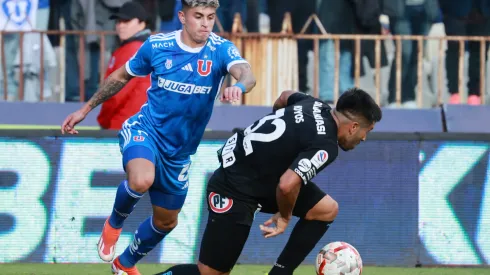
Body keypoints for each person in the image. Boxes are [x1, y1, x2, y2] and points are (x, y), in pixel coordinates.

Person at [60, 0, 256, 274]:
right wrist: (85, 109)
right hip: (145, 131)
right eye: (198, 16)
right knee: (142, 179)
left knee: (166, 222)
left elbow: (246, 73)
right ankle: (114, 223)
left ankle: (124, 264)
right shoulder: (158, 46)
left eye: (210, 17)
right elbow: (120, 75)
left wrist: (239, 86)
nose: (205, 23)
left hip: (179, 152)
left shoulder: (220, 49)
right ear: (182, 17)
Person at [155, 88, 382, 275]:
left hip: (258, 175)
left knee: (326, 210)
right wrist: (284, 217)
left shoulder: (313, 104)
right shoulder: (327, 145)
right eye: (366, 131)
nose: (363, 138)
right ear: (353, 126)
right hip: (234, 187)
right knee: (211, 273)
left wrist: (274, 132)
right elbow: (287, 184)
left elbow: (284, 96)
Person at [97, 1, 152, 130]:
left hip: (123, 125)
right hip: (138, 126)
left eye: (126, 21)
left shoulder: (132, 49)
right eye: (118, 21)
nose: (121, 25)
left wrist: (103, 120)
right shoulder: (144, 47)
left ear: (142, 24)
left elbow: (115, 92)